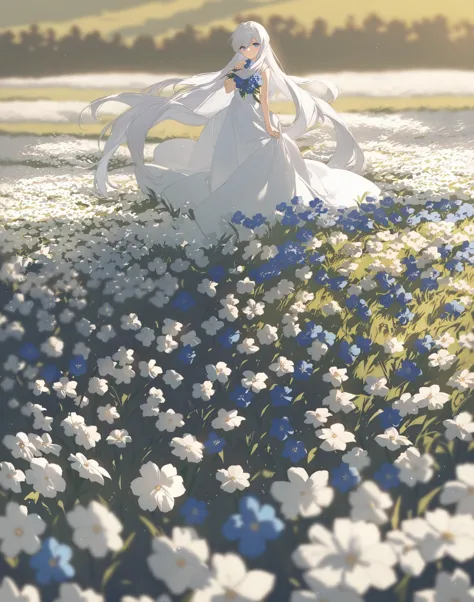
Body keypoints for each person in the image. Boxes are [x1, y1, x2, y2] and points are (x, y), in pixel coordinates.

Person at [83, 21, 380, 242]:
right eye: (241, 46)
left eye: (252, 45)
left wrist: (270, 125)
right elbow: (226, 89)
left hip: (256, 118)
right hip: (235, 116)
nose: (247, 50)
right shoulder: (238, 69)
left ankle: (269, 203)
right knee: (230, 154)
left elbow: (264, 101)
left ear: (260, 45)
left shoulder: (262, 71)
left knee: (268, 155)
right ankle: (230, 194)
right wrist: (233, 74)